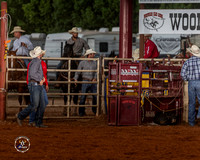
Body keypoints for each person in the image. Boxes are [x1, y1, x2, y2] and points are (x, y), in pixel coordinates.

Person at [16, 46, 47, 128]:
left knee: (39, 104)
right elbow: (33, 74)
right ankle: (21, 116)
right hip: (35, 84)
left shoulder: (35, 61)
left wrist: (41, 78)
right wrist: (40, 79)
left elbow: (33, 73)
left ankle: (38, 122)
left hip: (36, 84)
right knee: (36, 104)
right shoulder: (37, 62)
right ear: (40, 54)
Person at [26, 52, 49, 126]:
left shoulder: (42, 63)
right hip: (35, 84)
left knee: (42, 102)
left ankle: (36, 120)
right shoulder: (34, 62)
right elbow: (30, 74)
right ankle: (32, 120)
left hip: (41, 84)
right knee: (36, 103)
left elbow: (44, 75)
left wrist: (46, 84)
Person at [74, 49, 97, 116]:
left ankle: (95, 110)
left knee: (95, 96)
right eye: (93, 54)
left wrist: (95, 78)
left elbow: (96, 72)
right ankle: (81, 112)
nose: (94, 55)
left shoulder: (95, 63)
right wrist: (75, 79)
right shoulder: (82, 63)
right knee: (83, 96)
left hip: (92, 81)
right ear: (89, 55)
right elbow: (78, 72)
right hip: (85, 80)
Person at [181, 45, 200, 126]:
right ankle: (199, 115)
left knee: (191, 103)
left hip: (191, 83)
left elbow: (182, 74)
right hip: (199, 82)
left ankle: (191, 122)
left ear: (191, 53)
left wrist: (187, 78)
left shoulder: (187, 62)